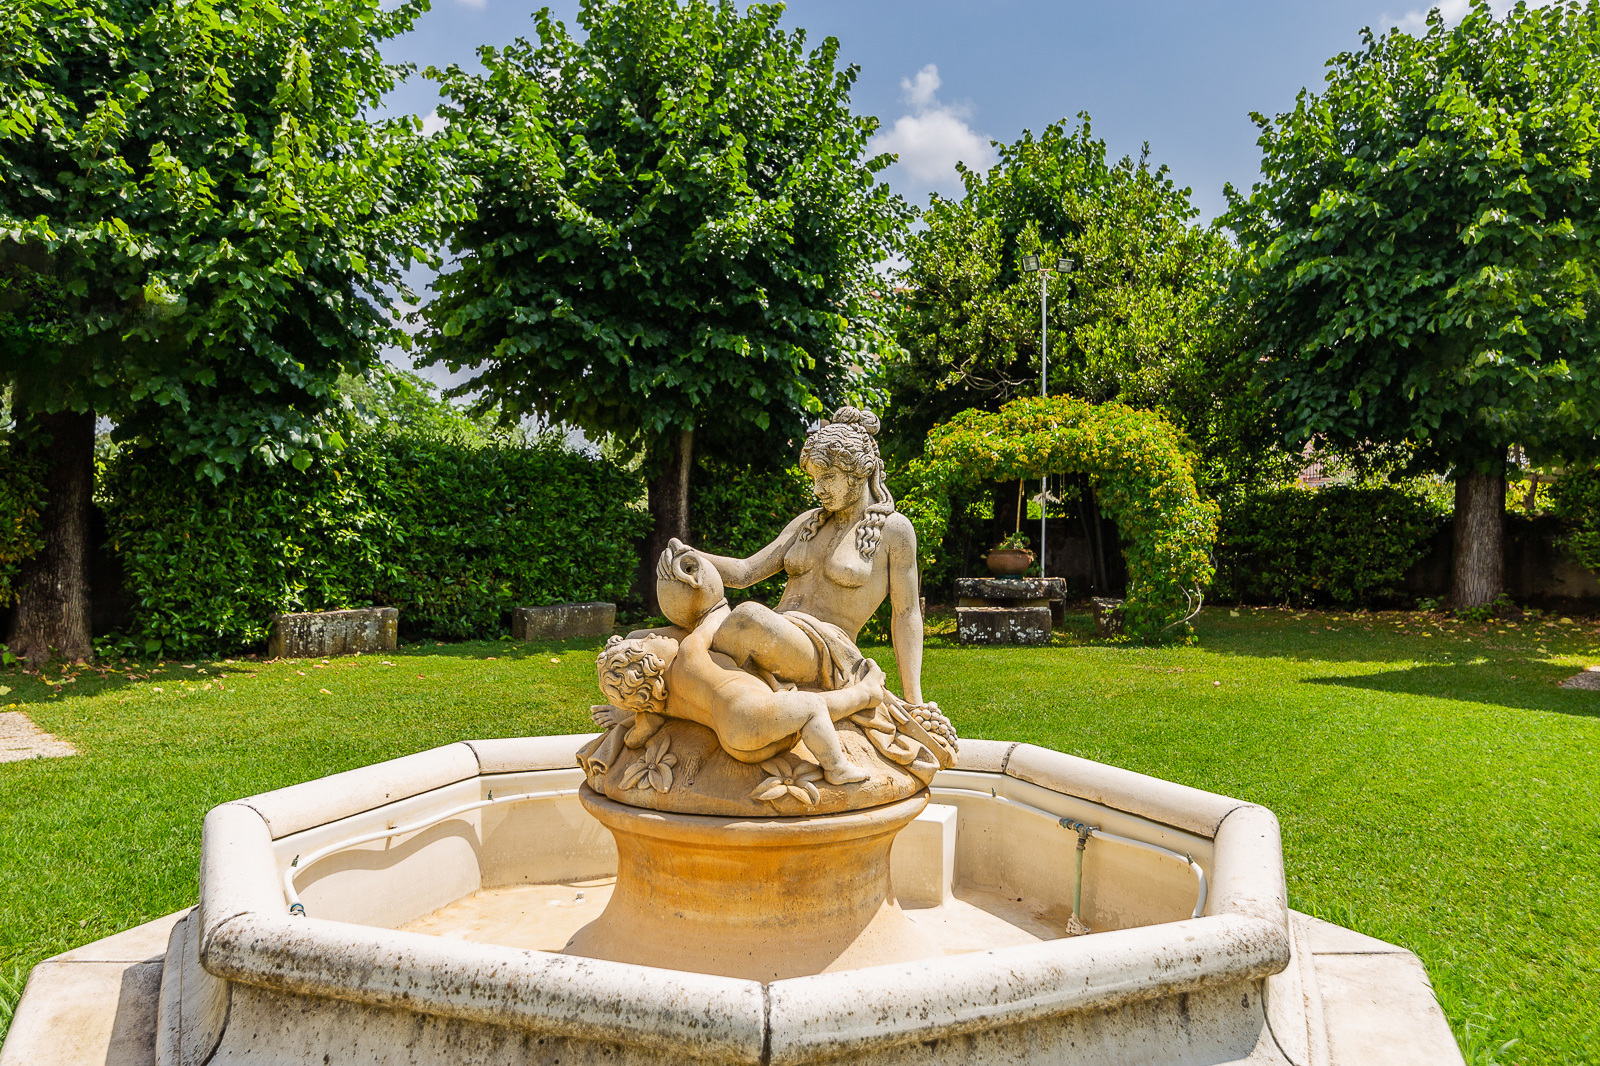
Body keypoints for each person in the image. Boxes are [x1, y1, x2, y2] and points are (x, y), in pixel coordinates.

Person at [694, 408, 927, 705]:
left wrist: (914, 701)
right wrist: (690, 557)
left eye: (828, 476)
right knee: (682, 624)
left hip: (826, 652)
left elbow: (906, 614)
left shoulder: (894, 530)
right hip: (779, 634)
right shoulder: (808, 522)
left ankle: (707, 686)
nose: (818, 489)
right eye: (814, 478)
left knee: (747, 617)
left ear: (863, 470)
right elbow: (745, 572)